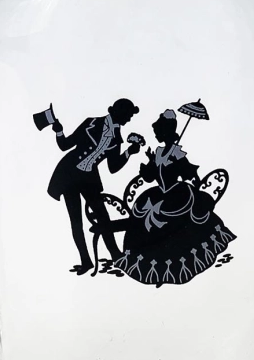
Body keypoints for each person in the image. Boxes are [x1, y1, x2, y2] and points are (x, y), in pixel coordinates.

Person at [117, 109, 236, 286]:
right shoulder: (158, 152)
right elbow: (150, 177)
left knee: (171, 223)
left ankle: (171, 264)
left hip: (176, 194)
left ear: (166, 131)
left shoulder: (177, 152)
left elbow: (191, 174)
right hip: (158, 194)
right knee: (145, 218)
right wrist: (149, 165)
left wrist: (180, 168)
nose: (156, 135)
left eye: (158, 131)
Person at [46, 98, 144, 275]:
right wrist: (59, 131)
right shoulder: (91, 123)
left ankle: (116, 256)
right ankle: (86, 261)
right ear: (118, 112)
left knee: (103, 217)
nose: (129, 119)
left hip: (89, 178)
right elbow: (65, 145)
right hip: (69, 175)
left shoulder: (117, 137)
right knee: (76, 221)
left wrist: (129, 151)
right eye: (128, 115)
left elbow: (113, 167)